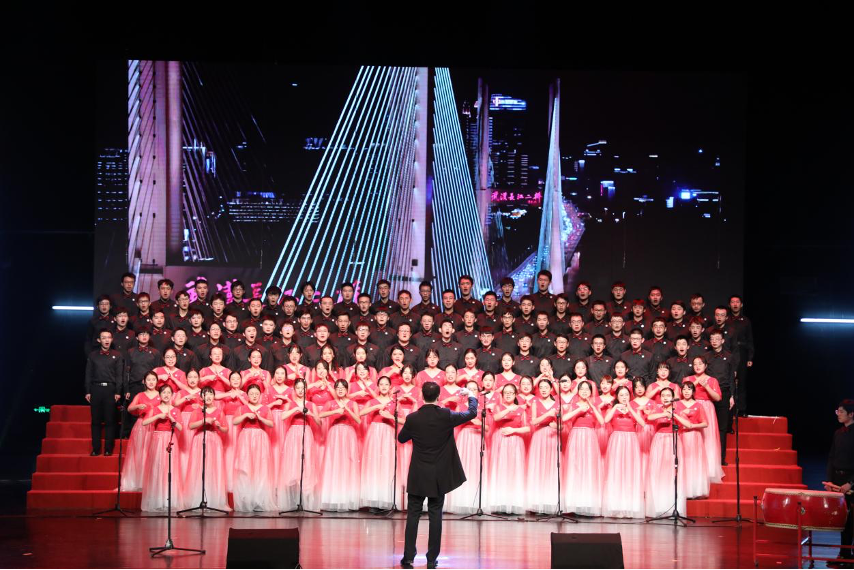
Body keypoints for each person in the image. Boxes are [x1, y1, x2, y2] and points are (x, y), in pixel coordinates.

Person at [398, 381, 477, 570]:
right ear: (439, 397)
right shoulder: (446, 415)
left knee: (413, 515)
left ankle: (408, 557)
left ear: (421, 395)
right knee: (435, 515)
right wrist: (471, 395)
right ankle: (432, 559)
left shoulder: (413, 418)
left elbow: (401, 438)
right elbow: (471, 413)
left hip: (418, 474)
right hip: (438, 475)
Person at [181, 386, 230, 511]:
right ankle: (197, 498)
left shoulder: (219, 411)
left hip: (214, 440)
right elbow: (191, 426)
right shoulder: (197, 411)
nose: (208, 396)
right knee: (199, 468)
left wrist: (219, 427)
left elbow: (226, 429)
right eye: (205, 394)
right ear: (201, 397)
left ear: (214, 396)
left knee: (213, 468)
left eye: (210, 394)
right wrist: (204, 421)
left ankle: (213, 499)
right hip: (199, 439)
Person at [277, 379, 322, 512]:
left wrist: (310, 414)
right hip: (293, 434)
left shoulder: (311, 404)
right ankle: (293, 500)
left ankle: (305, 499)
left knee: (306, 464)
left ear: (306, 389)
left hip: (306, 433)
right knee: (293, 464)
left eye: (303, 388)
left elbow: (319, 422)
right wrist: (296, 409)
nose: (301, 390)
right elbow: (283, 417)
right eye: (298, 388)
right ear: (294, 389)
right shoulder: (290, 404)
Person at [601, 385, 646, 518]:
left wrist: (630, 408)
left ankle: (630, 506)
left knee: (629, 471)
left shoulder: (635, 408)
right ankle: (615, 505)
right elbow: (605, 420)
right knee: (616, 470)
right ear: (617, 397)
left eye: (626, 394)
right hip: (617, 440)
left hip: (631, 440)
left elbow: (642, 423)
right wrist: (615, 407)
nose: (624, 397)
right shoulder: (613, 408)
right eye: (621, 395)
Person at [318, 380, 362, 511]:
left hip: (349, 433)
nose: (340, 390)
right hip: (335, 433)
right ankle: (333, 498)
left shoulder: (353, 403)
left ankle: (347, 498)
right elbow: (320, 414)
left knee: (348, 463)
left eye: (343, 388)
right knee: (334, 462)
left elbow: (358, 420)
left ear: (347, 390)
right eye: (338, 388)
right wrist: (335, 411)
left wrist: (347, 410)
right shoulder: (330, 403)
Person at [232, 384, 277, 512]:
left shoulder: (265, 408)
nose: (254, 396)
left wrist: (260, 418)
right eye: (251, 394)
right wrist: (246, 416)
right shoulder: (242, 408)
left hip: (260, 438)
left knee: (260, 468)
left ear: (260, 395)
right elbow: (234, 421)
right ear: (247, 395)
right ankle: (246, 500)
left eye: (256, 394)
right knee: (245, 468)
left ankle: (259, 500)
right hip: (246, 438)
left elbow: (271, 424)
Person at [562, 380, 604, 516]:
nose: (585, 391)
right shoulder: (573, 405)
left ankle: (588, 503)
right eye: (582, 389)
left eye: (587, 389)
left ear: (591, 392)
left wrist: (591, 406)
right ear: (578, 392)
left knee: (588, 467)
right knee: (576, 467)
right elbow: (564, 418)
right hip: (576, 435)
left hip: (590, 437)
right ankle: (574, 503)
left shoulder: (594, 405)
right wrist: (579, 409)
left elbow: (602, 421)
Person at [486, 384, 530, 515]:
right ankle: (499, 502)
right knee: (500, 469)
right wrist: (509, 409)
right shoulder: (498, 407)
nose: (508, 394)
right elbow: (496, 418)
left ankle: (514, 502)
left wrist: (514, 430)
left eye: (511, 392)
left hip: (515, 441)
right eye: (506, 392)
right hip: (500, 440)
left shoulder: (521, 410)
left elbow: (527, 428)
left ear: (515, 394)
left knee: (514, 470)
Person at [644, 387, 687, 517]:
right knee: (658, 471)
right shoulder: (657, 408)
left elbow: (687, 424)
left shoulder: (678, 409)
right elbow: (650, 417)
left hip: (673, 440)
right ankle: (658, 506)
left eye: (668, 395)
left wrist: (674, 415)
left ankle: (673, 506)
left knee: (672, 472)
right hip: (659, 440)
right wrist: (664, 414)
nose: (665, 398)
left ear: (673, 397)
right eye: (663, 395)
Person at [140, 384, 183, 512]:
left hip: (170, 439)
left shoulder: (175, 410)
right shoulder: (155, 409)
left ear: (172, 395)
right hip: (158, 439)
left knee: (170, 468)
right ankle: (158, 500)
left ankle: (169, 500)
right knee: (158, 467)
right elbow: (144, 422)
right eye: (164, 392)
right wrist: (158, 416)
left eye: (169, 393)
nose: (166, 395)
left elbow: (181, 428)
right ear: (159, 395)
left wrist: (172, 419)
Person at [445, 380, 485, 515]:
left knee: (475, 467)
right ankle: (460, 500)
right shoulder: (460, 406)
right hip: (464, 437)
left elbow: (488, 427)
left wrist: (479, 423)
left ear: (478, 392)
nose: (472, 391)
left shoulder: (482, 407)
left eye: (474, 389)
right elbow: (454, 423)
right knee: (462, 466)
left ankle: (474, 500)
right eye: (469, 389)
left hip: (477, 437)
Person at [683, 356, 725, 483]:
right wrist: (694, 384)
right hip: (692, 407)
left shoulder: (712, 380)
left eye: (700, 364)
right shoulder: (688, 379)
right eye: (695, 364)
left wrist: (706, 386)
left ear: (705, 366)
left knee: (708, 437)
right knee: (693, 437)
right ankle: (692, 469)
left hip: (707, 408)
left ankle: (709, 469)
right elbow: (682, 395)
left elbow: (717, 398)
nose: (697, 366)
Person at [359, 376, 398, 510]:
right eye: (381, 384)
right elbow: (361, 413)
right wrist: (375, 407)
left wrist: (390, 416)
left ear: (390, 387)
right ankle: (373, 500)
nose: (384, 387)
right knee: (374, 464)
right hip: (374, 432)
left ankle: (386, 500)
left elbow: (403, 420)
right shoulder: (373, 401)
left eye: (386, 384)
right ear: (378, 386)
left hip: (388, 433)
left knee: (386, 465)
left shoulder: (394, 402)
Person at [824, 399, 854, 567]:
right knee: (843, 519)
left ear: (851, 414)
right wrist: (830, 480)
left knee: (852, 520)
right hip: (838, 481)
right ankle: (844, 554)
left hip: (851, 481)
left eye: (841, 411)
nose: (838, 414)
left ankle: (847, 555)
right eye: (838, 411)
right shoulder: (838, 433)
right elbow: (831, 457)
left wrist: (851, 483)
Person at [85, 329, 123, 456]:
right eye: (104, 337)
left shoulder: (117, 355)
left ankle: (108, 448)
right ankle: (96, 448)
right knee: (95, 421)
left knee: (110, 420)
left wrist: (118, 391)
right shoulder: (92, 355)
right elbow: (88, 374)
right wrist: (88, 391)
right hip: (96, 389)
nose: (106, 340)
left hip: (110, 389)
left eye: (109, 337)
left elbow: (119, 375)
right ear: (99, 340)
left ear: (112, 339)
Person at [120, 370, 160, 492]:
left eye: (153, 380)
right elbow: (129, 408)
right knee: (141, 453)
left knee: (154, 454)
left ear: (157, 381)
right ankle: (139, 481)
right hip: (142, 427)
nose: (151, 382)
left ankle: (153, 482)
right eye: (148, 380)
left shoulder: (160, 394)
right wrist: (137, 406)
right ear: (144, 382)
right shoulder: (140, 395)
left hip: (157, 426)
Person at [527, 378, 561, 514]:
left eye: (546, 387)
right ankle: (537, 502)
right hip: (539, 435)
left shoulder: (557, 404)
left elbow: (563, 425)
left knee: (551, 468)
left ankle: (550, 502)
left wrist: (556, 426)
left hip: (552, 436)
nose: (543, 389)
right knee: (539, 467)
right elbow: (534, 421)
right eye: (541, 387)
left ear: (551, 389)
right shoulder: (535, 402)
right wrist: (547, 414)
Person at [675, 382, 710, 499]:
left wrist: (692, 426)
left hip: (694, 436)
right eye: (684, 389)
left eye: (689, 389)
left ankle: (694, 490)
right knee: (682, 461)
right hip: (681, 435)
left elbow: (705, 423)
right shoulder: (676, 404)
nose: (686, 391)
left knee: (694, 462)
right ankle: (682, 490)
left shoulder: (698, 405)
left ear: (693, 391)